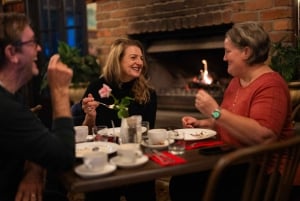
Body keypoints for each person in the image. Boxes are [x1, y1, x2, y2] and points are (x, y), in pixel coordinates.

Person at [169, 22, 295, 201]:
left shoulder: (271, 85)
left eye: (228, 51)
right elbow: (229, 119)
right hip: (235, 160)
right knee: (181, 180)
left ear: (246, 52)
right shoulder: (237, 81)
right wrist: (201, 123)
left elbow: (265, 136)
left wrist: (215, 111)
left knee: (187, 186)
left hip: (261, 172)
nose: (224, 58)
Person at [0, 12, 75, 201]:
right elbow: (64, 157)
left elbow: (38, 137)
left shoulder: (13, 98)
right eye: (32, 43)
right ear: (12, 53)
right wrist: (59, 91)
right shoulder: (6, 108)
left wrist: (34, 168)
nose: (39, 49)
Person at [72, 38, 157, 201]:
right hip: (103, 157)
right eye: (133, 57)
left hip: (134, 157)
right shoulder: (97, 87)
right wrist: (90, 117)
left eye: (141, 58)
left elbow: (146, 131)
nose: (140, 62)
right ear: (117, 60)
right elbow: (86, 134)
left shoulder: (148, 93)